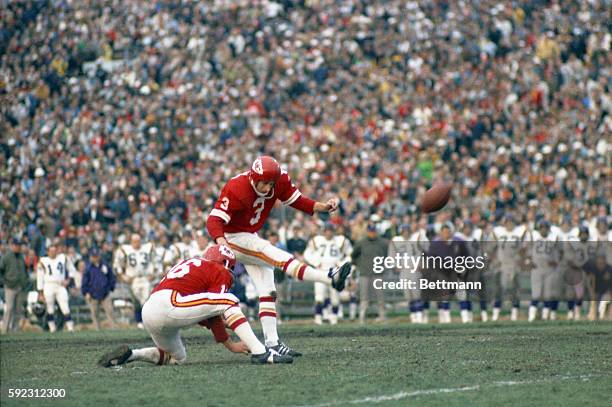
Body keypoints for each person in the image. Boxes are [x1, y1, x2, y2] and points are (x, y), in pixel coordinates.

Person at [206, 156, 351, 356]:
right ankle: (328, 277)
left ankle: (272, 343)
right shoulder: (236, 187)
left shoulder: (279, 179)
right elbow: (213, 221)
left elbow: (298, 201)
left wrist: (323, 207)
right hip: (233, 237)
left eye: (271, 183)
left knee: (268, 290)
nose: (267, 188)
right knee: (276, 255)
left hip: (249, 234)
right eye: (263, 183)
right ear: (253, 178)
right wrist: (223, 244)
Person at [98, 245, 292, 367]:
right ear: (226, 263)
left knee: (177, 359)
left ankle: (132, 355)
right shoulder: (219, 270)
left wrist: (224, 326)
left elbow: (202, 311)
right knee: (230, 300)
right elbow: (216, 309)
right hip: (170, 304)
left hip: (152, 309)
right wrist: (230, 344)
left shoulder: (196, 265)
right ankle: (260, 352)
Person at [304, 223, 352, 325]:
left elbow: (349, 255)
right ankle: (318, 317)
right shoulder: (317, 240)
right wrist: (316, 262)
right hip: (320, 271)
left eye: (330, 230)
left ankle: (334, 317)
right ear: (324, 231)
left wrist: (341, 264)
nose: (328, 233)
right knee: (319, 297)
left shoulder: (341, 240)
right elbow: (307, 254)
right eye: (327, 230)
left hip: (334, 272)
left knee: (335, 298)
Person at [113, 233, 157, 328]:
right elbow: (117, 264)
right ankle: (139, 322)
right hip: (134, 279)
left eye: (138, 241)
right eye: (135, 241)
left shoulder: (148, 248)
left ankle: (148, 321)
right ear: (131, 242)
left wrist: (153, 273)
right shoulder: (125, 250)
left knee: (147, 301)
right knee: (136, 300)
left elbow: (156, 260)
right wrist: (122, 275)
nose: (137, 243)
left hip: (145, 278)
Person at [352, 222, 389, 324]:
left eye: (373, 231)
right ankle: (362, 317)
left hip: (378, 273)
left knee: (380, 296)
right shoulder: (361, 242)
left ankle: (382, 316)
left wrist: (382, 266)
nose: (372, 233)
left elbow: (387, 255)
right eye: (370, 231)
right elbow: (354, 256)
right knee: (364, 297)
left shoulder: (382, 243)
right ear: (367, 231)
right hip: (365, 273)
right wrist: (360, 265)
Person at [36, 240, 77, 332]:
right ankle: (52, 328)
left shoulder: (63, 258)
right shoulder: (43, 261)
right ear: (47, 252)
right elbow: (40, 277)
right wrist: (40, 292)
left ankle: (70, 328)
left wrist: (68, 280)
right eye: (51, 251)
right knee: (50, 308)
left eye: (54, 251)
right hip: (48, 285)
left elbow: (72, 270)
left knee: (65, 307)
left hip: (60, 285)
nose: (53, 253)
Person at [82, 248, 117, 330]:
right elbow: (84, 282)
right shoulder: (88, 268)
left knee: (110, 311)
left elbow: (111, 277)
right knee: (94, 313)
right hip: (93, 294)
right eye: (93, 256)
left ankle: (113, 328)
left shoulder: (105, 266)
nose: (94, 258)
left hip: (105, 293)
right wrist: (86, 292)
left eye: (96, 256)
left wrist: (111, 287)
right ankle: (97, 329)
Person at [1, 238, 28, 334]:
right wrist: (4, 281)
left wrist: (25, 281)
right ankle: (5, 330)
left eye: (19, 245)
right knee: (9, 308)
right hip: (10, 286)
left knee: (18, 310)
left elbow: (25, 270)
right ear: (12, 246)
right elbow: (1, 270)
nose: (18, 247)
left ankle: (15, 330)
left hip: (19, 286)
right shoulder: (7, 257)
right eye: (16, 245)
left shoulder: (21, 256)